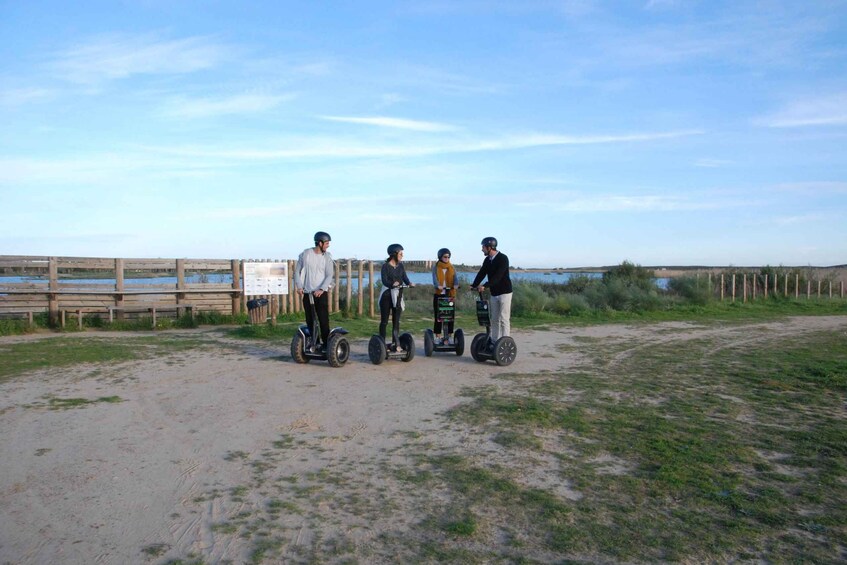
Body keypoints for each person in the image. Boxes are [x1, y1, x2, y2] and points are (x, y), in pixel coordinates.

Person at [294, 231, 334, 351]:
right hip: (308, 292)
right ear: (320, 243)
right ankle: (314, 343)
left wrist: (322, 289)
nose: (328, 245)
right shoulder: (306, 254)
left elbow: (329, 275)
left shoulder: (327, 257)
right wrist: (299, 286)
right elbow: (297, 272)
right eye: (326, 243)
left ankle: (327, 345)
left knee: (323, 320)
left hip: (321, 293)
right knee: (310, 319)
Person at [471, 236, 513, 343]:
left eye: (483, 247)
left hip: (505, 292)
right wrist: (474, 284)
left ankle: (505, 341)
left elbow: (498, 276)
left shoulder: (503, 258)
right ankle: (495, 341)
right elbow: (482, 273)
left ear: (490, 247)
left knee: (504, 318)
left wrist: (485, 285)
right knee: (494, 319)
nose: (482, 249)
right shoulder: (487, 260)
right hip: (494, 293)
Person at [379, 243, 414, 349]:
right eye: (400, 253)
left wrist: (409, 283)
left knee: (396, 320)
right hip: (386, 295)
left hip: (398, 295)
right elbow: (384, 280)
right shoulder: (385, 266)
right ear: (394, 254)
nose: (402, 255)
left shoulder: (401, 266)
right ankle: (382, 343)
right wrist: (391, 284)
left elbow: (404, 277)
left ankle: (395, 343)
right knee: (384, 321)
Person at [431, 247, 459, 344]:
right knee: (438, 317)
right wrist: (437, 285)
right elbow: (434, 279)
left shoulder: (452, 267)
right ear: (440, 257)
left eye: (448, 257)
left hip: (450, 295)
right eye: (445, 256)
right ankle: (438, 336)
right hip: (439, 295)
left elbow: (455, 278)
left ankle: (449, 336)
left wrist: (456, 285)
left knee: (450, 316)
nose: (447, 258)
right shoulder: (436, 267)